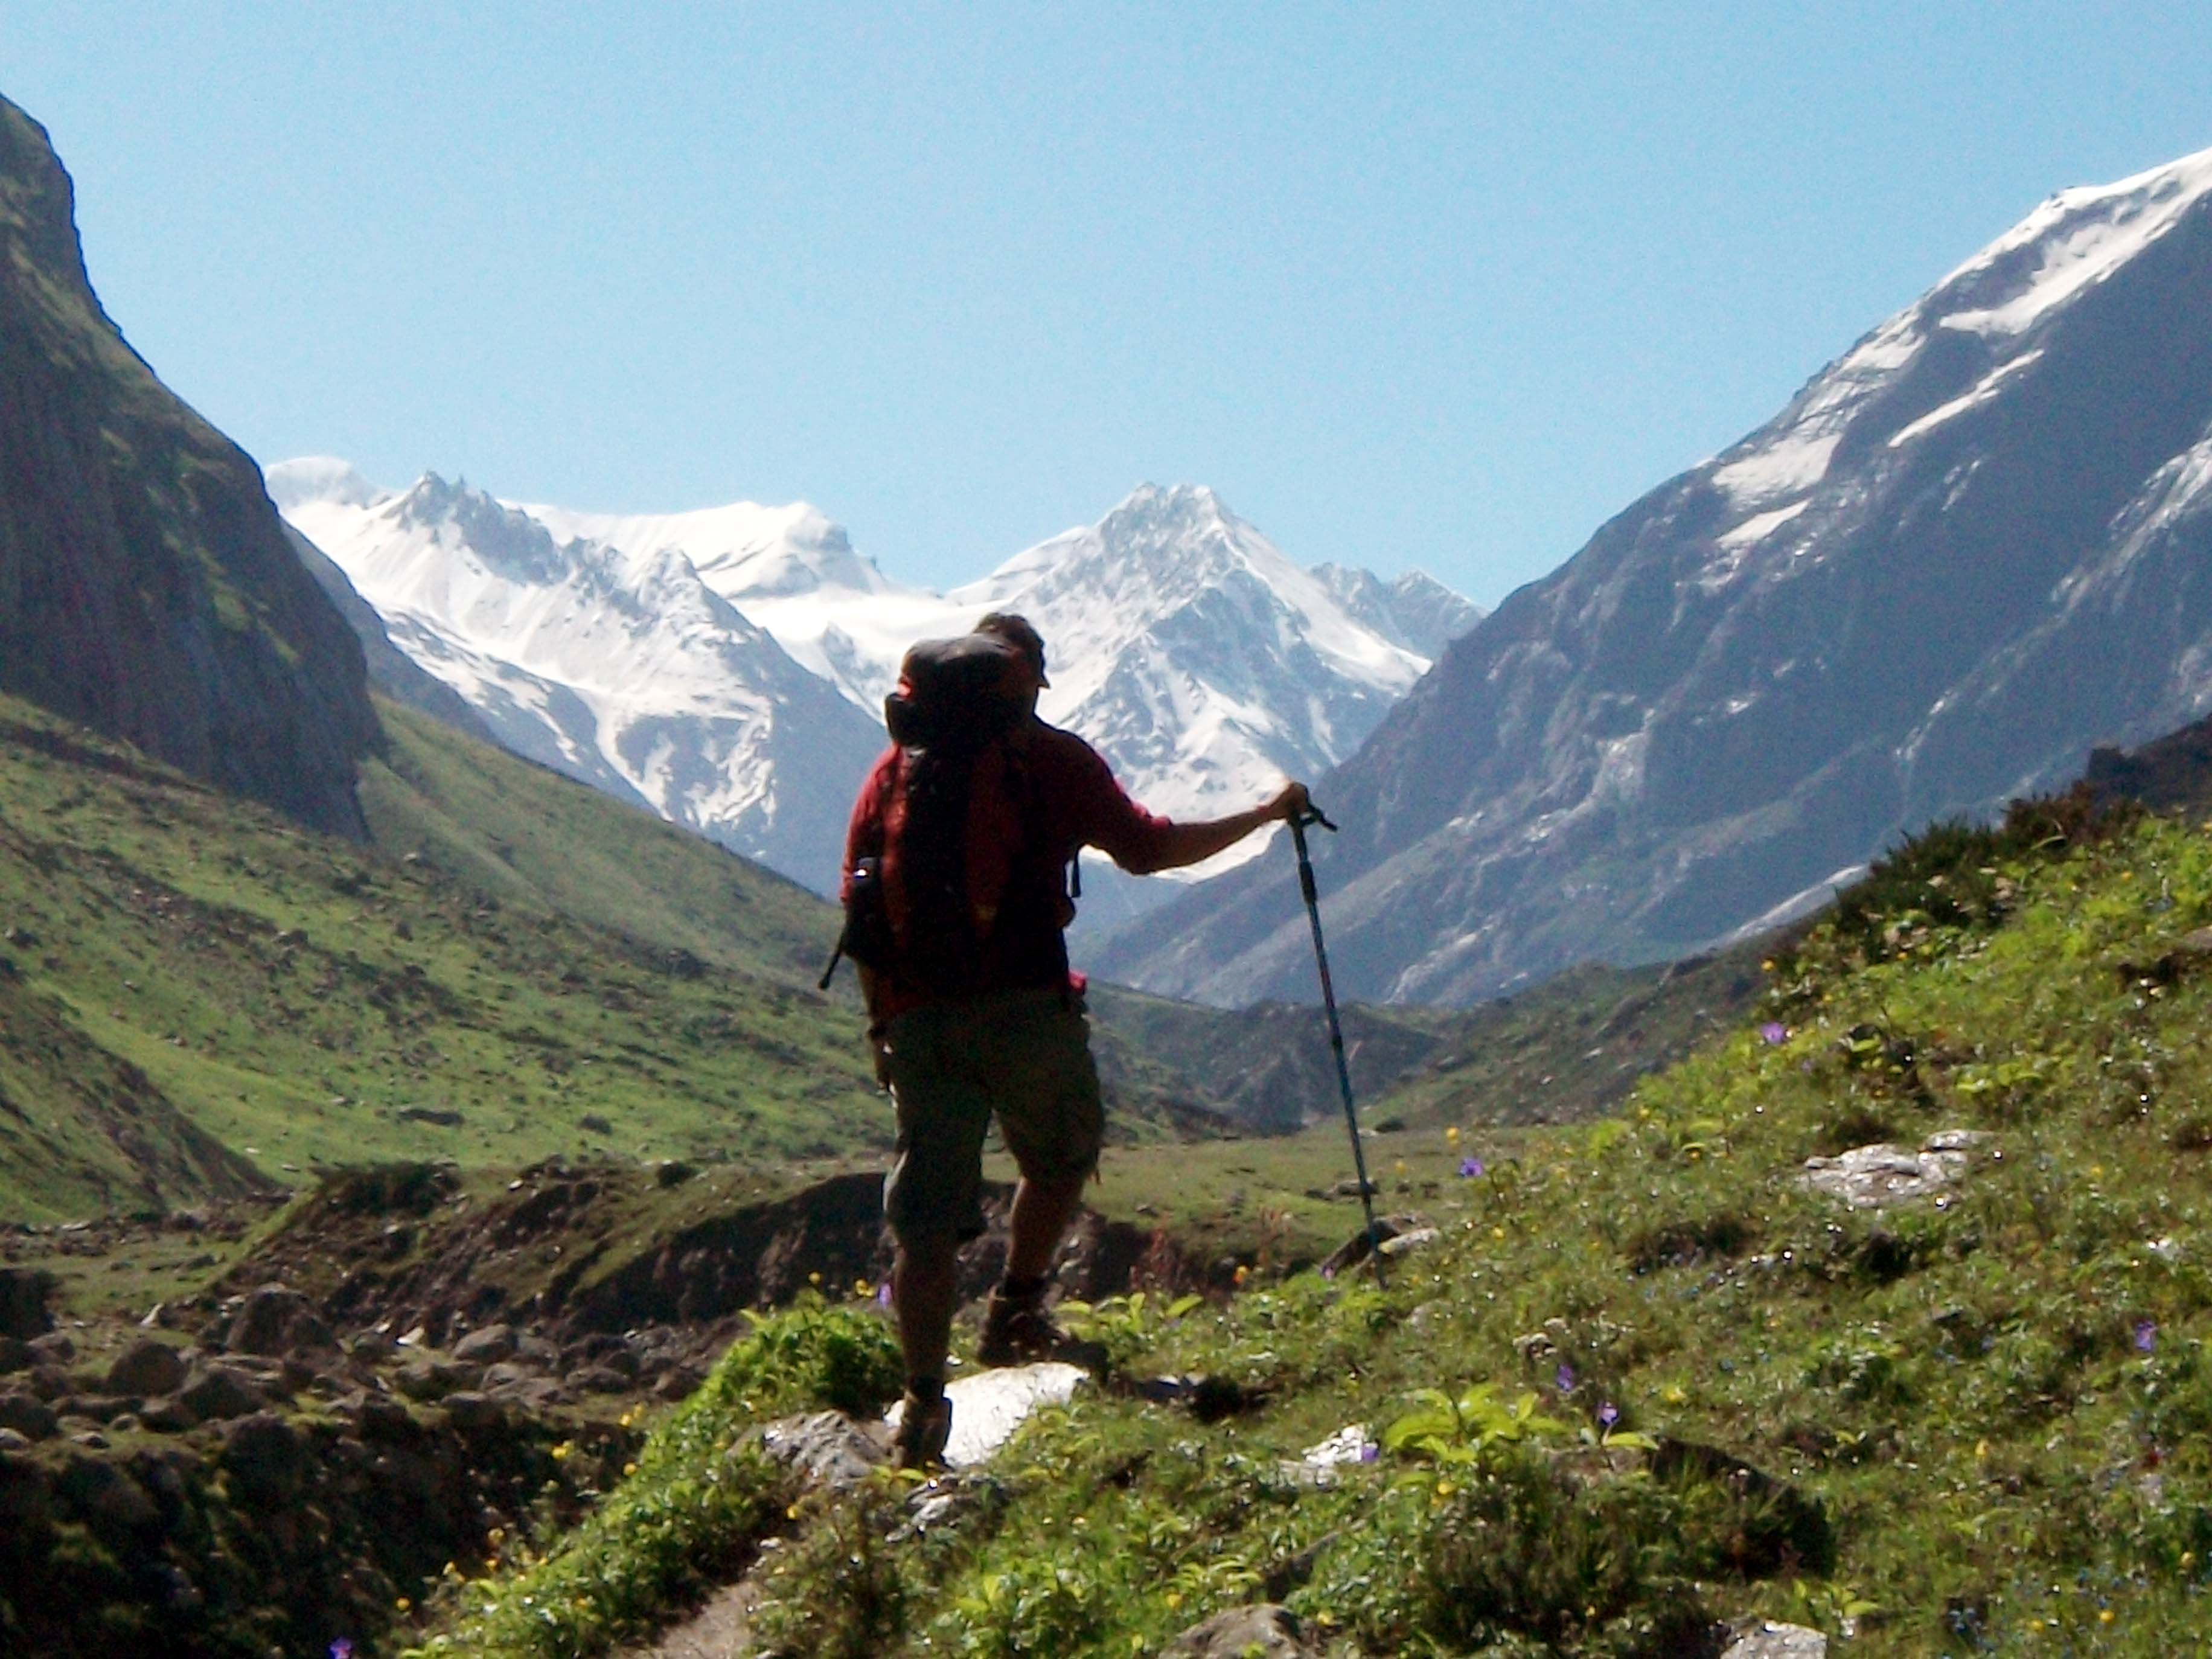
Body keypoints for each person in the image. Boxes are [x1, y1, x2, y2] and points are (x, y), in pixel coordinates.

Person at [842, 612, 1308, 1468]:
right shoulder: (1049, 759)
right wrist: (1266, 815)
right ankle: (1017, 1308)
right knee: (1059, 1156)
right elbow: (1150, 849)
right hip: (1025, 1008)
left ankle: (921, 1404)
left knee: (925, 1225)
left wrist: (883, 1023)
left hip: (918, 1017)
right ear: (1026, 679)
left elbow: (862, 905)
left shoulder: (891, 773)